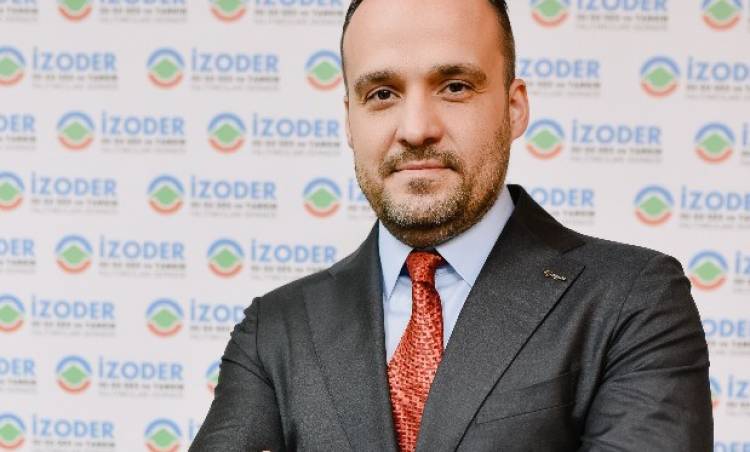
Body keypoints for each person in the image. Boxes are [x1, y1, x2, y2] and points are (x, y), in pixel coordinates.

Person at [190, 0, 713, 450]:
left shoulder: (632, 301)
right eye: (382, 94)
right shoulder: (274, 330)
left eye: (455, 86)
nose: (417, 128)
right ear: (349, 119)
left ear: (514, 108)